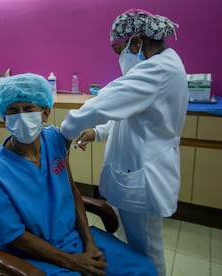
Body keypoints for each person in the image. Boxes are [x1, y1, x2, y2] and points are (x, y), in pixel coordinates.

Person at [0, 73, 157, 275]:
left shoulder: (54, 140)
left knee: (144, 269)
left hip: (74, 237)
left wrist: (89, 243)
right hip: (34, 256)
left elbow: (72, 192)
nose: (21, 116)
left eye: (28, 108)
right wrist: (72, 262)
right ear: (4, 117)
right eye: (12, 111)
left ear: (45, 112)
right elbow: (13, 236)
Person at [60, 9, 189, 276]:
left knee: (147, 253)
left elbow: (106, 101)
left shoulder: (158, 70)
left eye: (120, 51)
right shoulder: (162, 66)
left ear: (137, 42)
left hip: (143, 178)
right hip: (136, 174)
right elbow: (129, 117)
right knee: (134, 247)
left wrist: (65, 131)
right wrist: (96, 133)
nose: (120, 59)